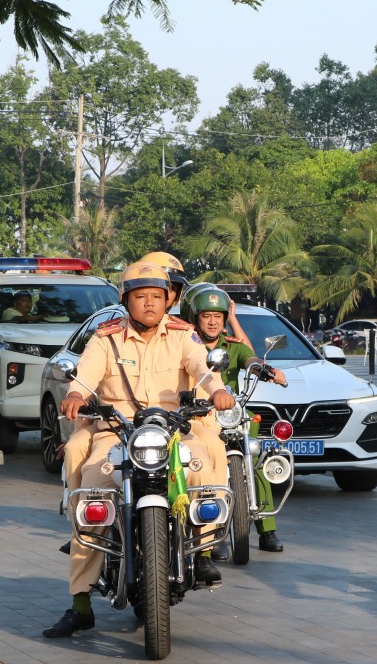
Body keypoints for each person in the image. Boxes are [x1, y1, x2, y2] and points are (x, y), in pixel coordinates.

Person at [43, 262, 236, 639]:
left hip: (173, 430)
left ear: (168, 300)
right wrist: (76, 394)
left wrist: (217, 390)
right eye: (140, 296)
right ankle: (80, 604)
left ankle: (202, 550)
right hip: (117, 431)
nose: (149, 303)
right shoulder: (106, 337)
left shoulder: (184, 335)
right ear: (125, 300)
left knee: (206, 463)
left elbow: (202, 368)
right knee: (92, 499)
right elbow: (86, 375)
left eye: (156, 297)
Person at [180, 284, 288, 553]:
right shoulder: (185, 345)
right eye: (207, 316)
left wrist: (265, 370)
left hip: (231, 414)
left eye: (218, 316)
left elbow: (250, 358)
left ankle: (267, 530)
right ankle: (210, 532)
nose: (213, 322)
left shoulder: (232, 346)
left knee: (255, 457)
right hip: (198, 417)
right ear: (195, 318)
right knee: (204, 468)